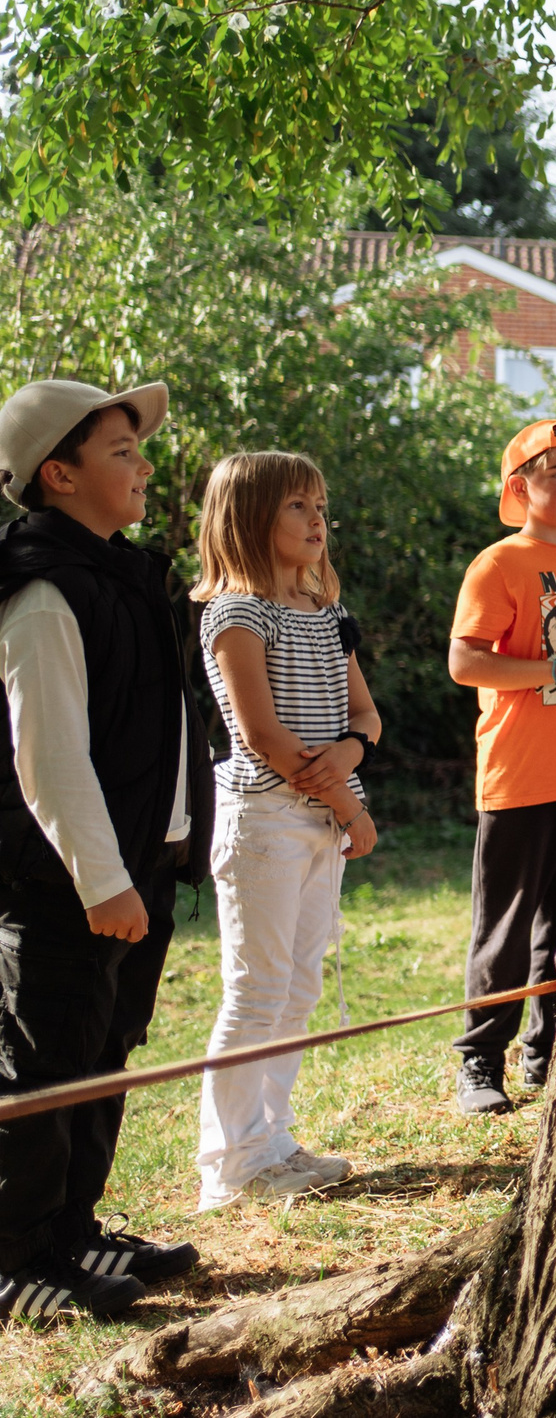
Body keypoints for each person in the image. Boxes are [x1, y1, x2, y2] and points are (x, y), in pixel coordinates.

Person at [0, 380, 208, 1320]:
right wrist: (101, 879)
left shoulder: (121, 574)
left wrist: (161, 854)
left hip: (135, 869)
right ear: (59, 473)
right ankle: (17, 1258)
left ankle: (72, 1229)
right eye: (121, 451)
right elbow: (47, 755)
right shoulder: (44, 590)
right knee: (42, 1066)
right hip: (66, 882)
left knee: (103, 1048)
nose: (144, 465)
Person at [193, 453, 378, 1209]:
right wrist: (351, 807)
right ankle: (232, 1164)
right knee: (257, 989)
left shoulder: (327, 611)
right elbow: (265, 736)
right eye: (297, 505)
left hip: (321, 820)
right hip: (267, 821)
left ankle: (273, 1139)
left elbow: (365, 715)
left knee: (299, 986)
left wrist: (350, 754)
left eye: (320, 505)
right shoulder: (237, 614)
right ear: (248, 517)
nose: (317, 520)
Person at [447, 420, 556, 1115]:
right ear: (520, 487)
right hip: (519, 775)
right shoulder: (500, 563)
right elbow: (465, 661)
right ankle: (480, 1062)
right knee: (503, 931)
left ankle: (549, 1051)